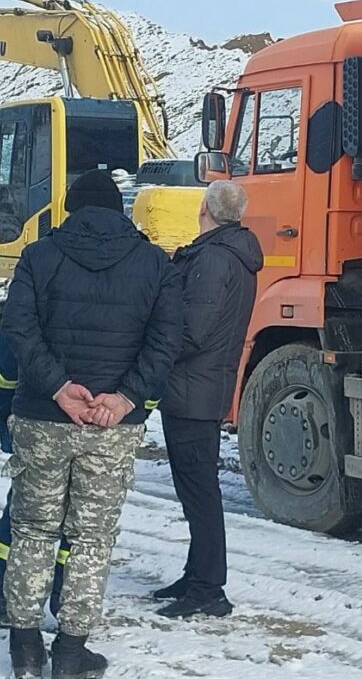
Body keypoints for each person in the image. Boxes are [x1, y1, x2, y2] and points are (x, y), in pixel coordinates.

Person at [1, 169, 182, 679]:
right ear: (118, 210)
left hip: (43, 415)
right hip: (111, 426)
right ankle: (72, 652)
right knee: (92, 538)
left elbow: (19, 328)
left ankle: (24, 650)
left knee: (33, 529)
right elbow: (166, 341)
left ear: (71, 208)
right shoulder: (154, 263)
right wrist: (123, 399)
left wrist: (59, 388)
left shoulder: (38, 256)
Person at [154, 180, 262, 619]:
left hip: (192, 388)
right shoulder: (234, 254)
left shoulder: (213, 259)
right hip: (203, 386)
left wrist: (155, 351)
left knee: (199, 491)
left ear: (203, 209)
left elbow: (192, 328)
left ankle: (208, 587)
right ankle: (197, 574)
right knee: (195, 488)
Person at [0, 329, 70, 627]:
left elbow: (7, 365)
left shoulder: (35, 286)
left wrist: (7, 415)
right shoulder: (133, 284)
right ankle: (69, 602)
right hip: (98, 425)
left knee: (26, 513)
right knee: (79, 524)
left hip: (36, 419)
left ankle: (1, 590)